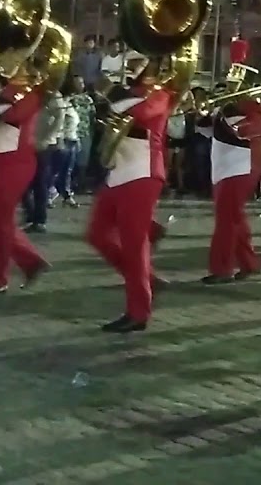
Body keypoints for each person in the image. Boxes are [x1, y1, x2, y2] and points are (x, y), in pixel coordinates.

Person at [86, 60, 175, 333]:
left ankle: (138, 312)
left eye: (140, 63)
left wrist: (110, 90)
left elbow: (141, 112)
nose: (135, 67)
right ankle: (146, 278)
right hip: (119, 171)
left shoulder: (161, 94)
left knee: (134, 246)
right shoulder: (130, 92)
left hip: (143, 173)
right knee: (97, 234)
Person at [0, 69, 50, 296]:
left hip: (17, 161)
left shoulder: (33, 93)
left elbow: (11, 115)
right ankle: (30, 260)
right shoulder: (7, 89)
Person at [203, 40, 261, 283]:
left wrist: (226, 109)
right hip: (224, 166)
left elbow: (243, 132)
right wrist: (204, 117)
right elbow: (209, 131)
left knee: (226, 220)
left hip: (239, 168)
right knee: (234, 218)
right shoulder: (228, 105)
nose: (229, 85)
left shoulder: (253, 109)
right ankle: (249, 262)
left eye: (234, 81)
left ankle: (222, 269)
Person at [23, 92, 63, 233]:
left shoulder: (52, 94)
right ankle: (29, 215)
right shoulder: (26, 90)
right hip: (24, 142)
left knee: (40, 182)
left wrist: (48, 138)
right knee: (23, 182)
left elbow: (60, 117)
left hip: (42, 145)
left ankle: (39, 220)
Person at [52, 80, 81, 208]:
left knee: (67, 170)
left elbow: (75, 125)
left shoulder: (71, 105)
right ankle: (49, 194)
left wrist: (77, 139)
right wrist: (60, 139)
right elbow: (60, 123)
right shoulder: (62, 105)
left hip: (72, 139)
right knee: (56, 169)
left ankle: (67, 195)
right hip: (64, 139)